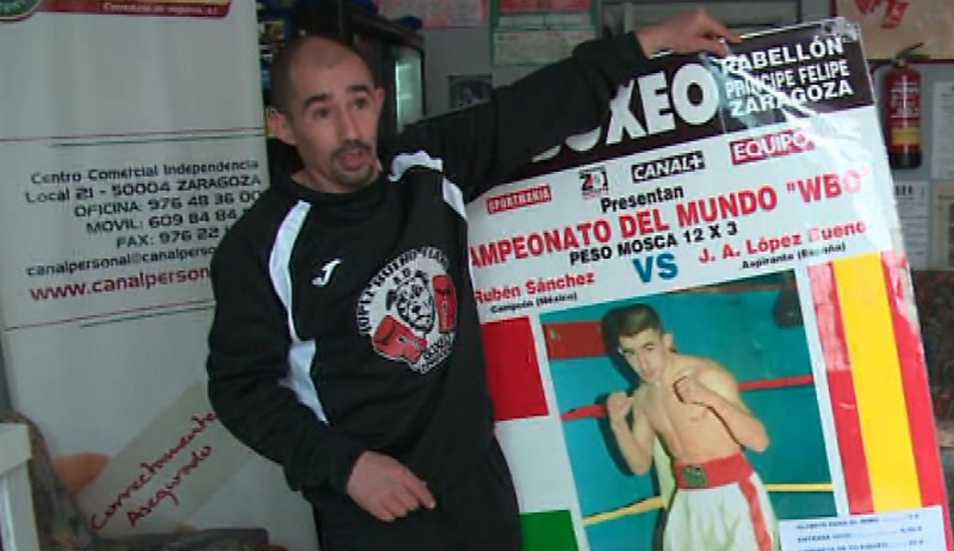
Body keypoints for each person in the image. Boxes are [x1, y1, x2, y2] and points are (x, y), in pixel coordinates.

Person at [206, 9, 740, 551]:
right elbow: (240, 389)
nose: (349, 131)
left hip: (476, 490)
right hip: (373, 506)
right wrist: (346, 468)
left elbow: (535, 107)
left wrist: (654, 38)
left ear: (380, 101)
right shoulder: (262, 247)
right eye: (322, 112)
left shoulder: (425, 167)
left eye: (359, 103)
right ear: (283, 125)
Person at [603, 303, 778, 551]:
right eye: (630, 353)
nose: (642, 363)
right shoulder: (642, 397)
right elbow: (640, 466)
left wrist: (711, 399)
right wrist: (618, 423)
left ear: (666, 341)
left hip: (733, 493)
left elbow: (760, 442)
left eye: (649, 348)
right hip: (687, 497)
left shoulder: (706, 375)